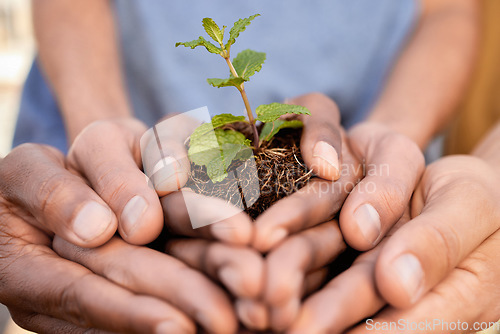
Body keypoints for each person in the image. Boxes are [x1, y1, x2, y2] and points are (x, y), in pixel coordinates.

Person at [0, 0, 481, 332]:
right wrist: (105, 145)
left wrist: (393, 135)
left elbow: (448, 8)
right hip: (105, 117)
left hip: (359, 139)